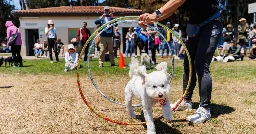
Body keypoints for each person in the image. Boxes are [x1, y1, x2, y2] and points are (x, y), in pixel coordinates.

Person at [139, 0, 223, 123]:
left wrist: (155, 14)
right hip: (195, 25)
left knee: (201, 65)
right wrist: (153, 19)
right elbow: (172, 8)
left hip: (212, 23)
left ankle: (205, 109)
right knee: (188, 64)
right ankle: (186, 100)